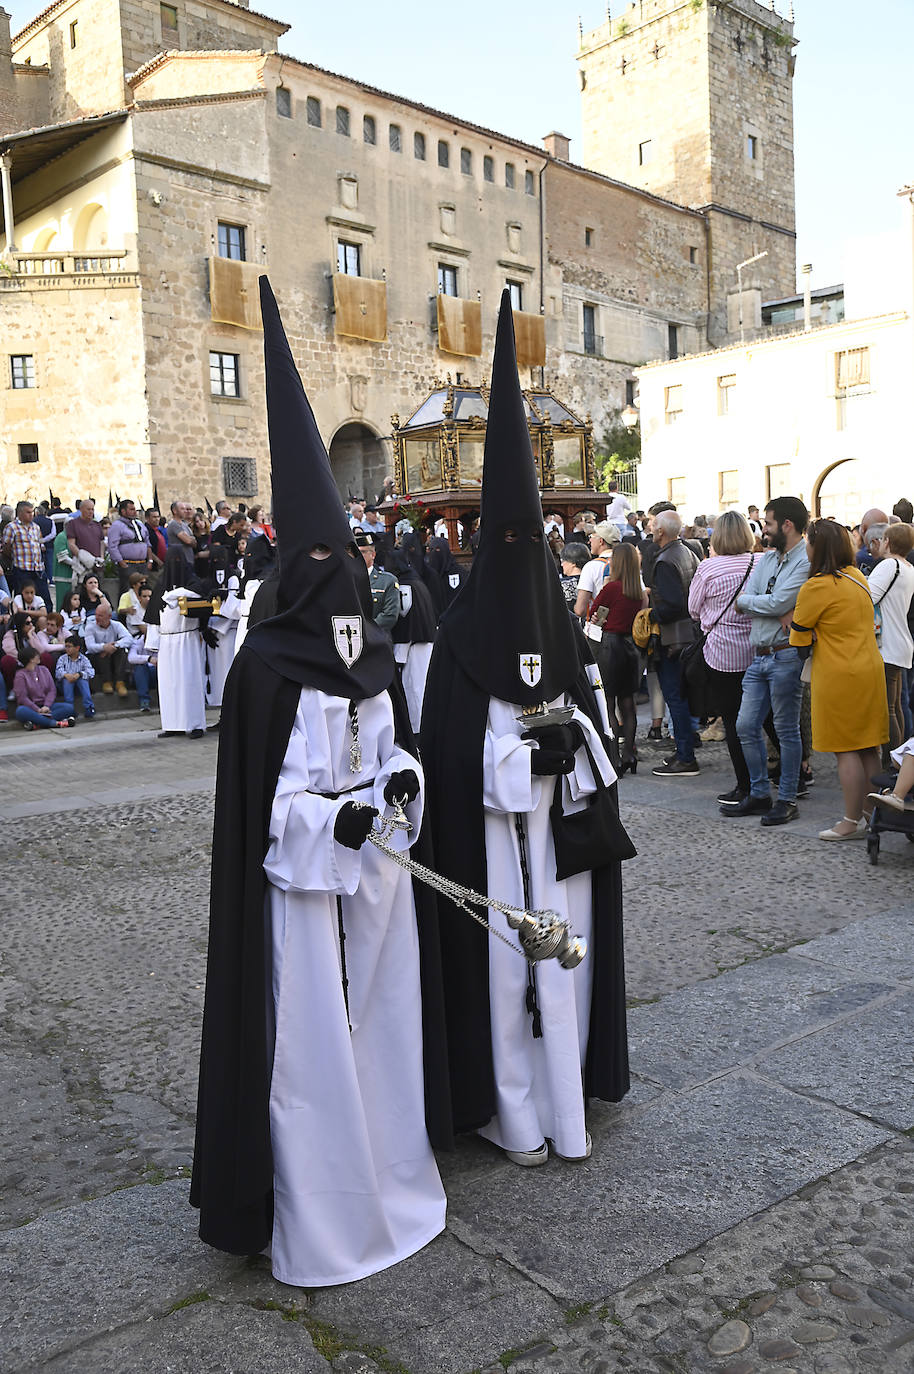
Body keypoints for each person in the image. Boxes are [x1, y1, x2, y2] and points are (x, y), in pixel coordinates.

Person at [191, 276, 448, 1286]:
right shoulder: (263, 669)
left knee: (380, 1025)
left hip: (376, 885)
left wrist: (394, 797)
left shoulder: (370, 653)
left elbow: (396, 757)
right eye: (318, 561)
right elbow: (268, 812)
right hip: (299, 899)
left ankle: (391, 1168)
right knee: (308, 1047)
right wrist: (324, 828)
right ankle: (320, 1204)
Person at [420, 291, 633, 1167]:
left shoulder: (560, 630)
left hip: (562, 850)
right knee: (505, 975)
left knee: (564, 969)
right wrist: (511, 760)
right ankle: (510, 1111)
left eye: (527, 538)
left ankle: (566, 1097)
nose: (516, 554)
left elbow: (599, 742)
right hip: (494, 853)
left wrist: (570, 749)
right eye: (499, 537)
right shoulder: (458, 646)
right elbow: (446, 753)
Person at [790, 520, 888, 840]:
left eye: (808, 542)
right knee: (868, 748)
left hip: (838, 672)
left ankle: (849, 821)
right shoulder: (856, 575)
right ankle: (871, 816)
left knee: (845, 749)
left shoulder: (817, 586)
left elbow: (799, 639)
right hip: (868, 667)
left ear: (818, 547)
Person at [728, 496, 810, 826]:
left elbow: (776, 602)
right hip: (759, 654)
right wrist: (760, 603)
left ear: (786, 525)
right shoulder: (767, 558)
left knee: (787, 730)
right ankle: (761, 793)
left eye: (769, 523)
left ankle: (787, 798)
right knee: (745, 725)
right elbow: (754, 598)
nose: (764, 529)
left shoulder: (804, 560)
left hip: (786, 655)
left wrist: (754, 603)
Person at [687, 511, 756, 808]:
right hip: (757, 648)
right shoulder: (760, 562)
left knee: (731, 718)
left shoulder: (708, 568)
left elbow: (692, 608)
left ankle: (745, 784)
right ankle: (792, 774)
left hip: (723, 652)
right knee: (765, 718)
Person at [648, 509, 701, 778]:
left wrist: (649, 615)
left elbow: (673, 604)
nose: (649, 525)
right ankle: (685, 746)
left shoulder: (666, 560)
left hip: (673, 637)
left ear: (661, 531)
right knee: (681, 696)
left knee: (675, 697)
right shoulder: (687, 551)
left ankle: (685, 756)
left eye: (653, 523)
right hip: (688, 633)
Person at [586, 541, 647, 774]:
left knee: (609, 703)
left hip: (610, 647)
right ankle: (630, 754)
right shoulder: (639, 593)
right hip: (631, 647)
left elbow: (593, 614)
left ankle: (613, 757)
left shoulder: (612, 588)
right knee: (628, 703)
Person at [144, 550, 209, 738]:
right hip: (166, 641)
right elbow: (153, 618)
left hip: (186, 638)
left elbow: (199, 592)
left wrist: (174, 594)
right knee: (169, 684)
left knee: (189, 682)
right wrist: (154, 643)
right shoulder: (160, 587)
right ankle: (172, 724)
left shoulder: (191, 582)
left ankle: (195, 724)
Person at [868, 523, 914, 755]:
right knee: (895, 707)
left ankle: (892, 763)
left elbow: (867, 596)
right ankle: (899, 762)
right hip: (901, 644)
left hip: (887, 645)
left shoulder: (889, 565)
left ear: (887, 541)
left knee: (888, 709)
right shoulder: (908, 567)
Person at [386, 536, 437, 733]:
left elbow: (405, 618)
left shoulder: (405, 586)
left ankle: (418, 731)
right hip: (424, 643)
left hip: (413, 646)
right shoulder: (417, 581)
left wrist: (399, 652)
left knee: (415, 690)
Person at [3, 501, 52, 608]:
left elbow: (37, 544)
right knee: (22, 600)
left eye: (32, 512)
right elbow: (6, 548)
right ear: (20, 513)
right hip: (22, 569)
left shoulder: (36, 527)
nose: (31, 515)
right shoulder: (12, 527)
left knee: (45, 599)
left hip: (38, 569)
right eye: (28, 512)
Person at [12, 647, 74, 729]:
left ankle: (37, 723)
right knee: (20, 711)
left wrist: (46, 706)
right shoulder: (20, 675)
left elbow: (52, 690)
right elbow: (22, 698)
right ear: (31, 659)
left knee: (69, 708)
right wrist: (37, 709)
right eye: (36, 655)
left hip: (47, 707)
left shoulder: (44, 670)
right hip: (31, 708)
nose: (39, 656)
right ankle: (54, 723)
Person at [84, 602, 133, 696]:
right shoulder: (90, 627)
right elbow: (90, 646)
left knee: (121, 650)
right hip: (96, 658)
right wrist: (104, 647)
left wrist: (115, 645)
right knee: (102, 652)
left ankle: (120, 683)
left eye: (100, 616)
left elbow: (129, 639)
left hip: (114, 656)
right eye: (96, 615)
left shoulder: (117, 625)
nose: (97, 618)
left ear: (109, 616)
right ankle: (106, 682)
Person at [573, 521, 620, 619]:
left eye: (591, 537)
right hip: (626, 623)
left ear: (601, 541)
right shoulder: (628, 562)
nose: (589, 541)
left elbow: (580, 610)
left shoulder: (591, 567)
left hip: (598, 625)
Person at [108, 499, 156, 593]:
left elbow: (147, 543)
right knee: (128, 592)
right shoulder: (117, 526)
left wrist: (150, 560)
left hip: (142, 564)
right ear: (123, 511)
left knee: (144, 591)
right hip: (128, 564)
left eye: (135, 509)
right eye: (131, 509)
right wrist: (122, 563)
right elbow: (113, 546)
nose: (135, 511)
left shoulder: (140, 524)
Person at [358, 532, 400, 630]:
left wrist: (366, 630)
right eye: (355, 553)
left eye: (363, 552)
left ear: (373, 555)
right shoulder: (346, 580)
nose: (358, 556)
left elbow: (389, 616)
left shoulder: (387, 581)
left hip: (377, 638)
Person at [56, 634, 96, 719]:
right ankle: (69, 709)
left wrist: (79, 674)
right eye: (66, 646)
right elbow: (58, 671)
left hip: (79, 687)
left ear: (77, 648)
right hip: (65, 686)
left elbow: (91, 672)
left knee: (83, 680)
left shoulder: (84, 659)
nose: (66, 649)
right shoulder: (62, 659)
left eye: (69, 646)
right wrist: (66, 675)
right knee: (67, 681)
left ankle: (89, 707)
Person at [558, 543, 590, 614]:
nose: (561, 564)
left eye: (563, 561)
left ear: (573, 563)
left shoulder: (560, 584)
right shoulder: (591, 580)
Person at [166, 501, 196, 568]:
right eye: (182, 509)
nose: (185, 511)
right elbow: (188, 541)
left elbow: (194, 542)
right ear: (175, 511)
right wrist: (191, 540)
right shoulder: (174, 524)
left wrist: (191, 540)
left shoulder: (185, 525)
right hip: (180, 562)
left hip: (189, 560)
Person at [192, 512, 212, 580]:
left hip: (210, 566)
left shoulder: (211, 535)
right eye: (197, 521)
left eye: (201, 520)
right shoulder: (194, 537)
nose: (200, 523)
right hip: (199, 567)